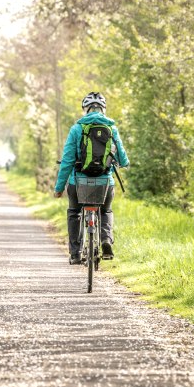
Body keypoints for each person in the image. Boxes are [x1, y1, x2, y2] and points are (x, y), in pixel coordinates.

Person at [54, 92, 129, 264]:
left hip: (78, 183)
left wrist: (59, 188)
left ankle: (75, 254)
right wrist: (119, 162)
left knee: (74, 212)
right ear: (103, 109)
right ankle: (105, 240)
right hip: (105, 182)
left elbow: (66, 162)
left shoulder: (76, 129)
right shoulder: (112, 129)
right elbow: (123, 159)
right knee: (106, 211)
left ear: (85, 109)